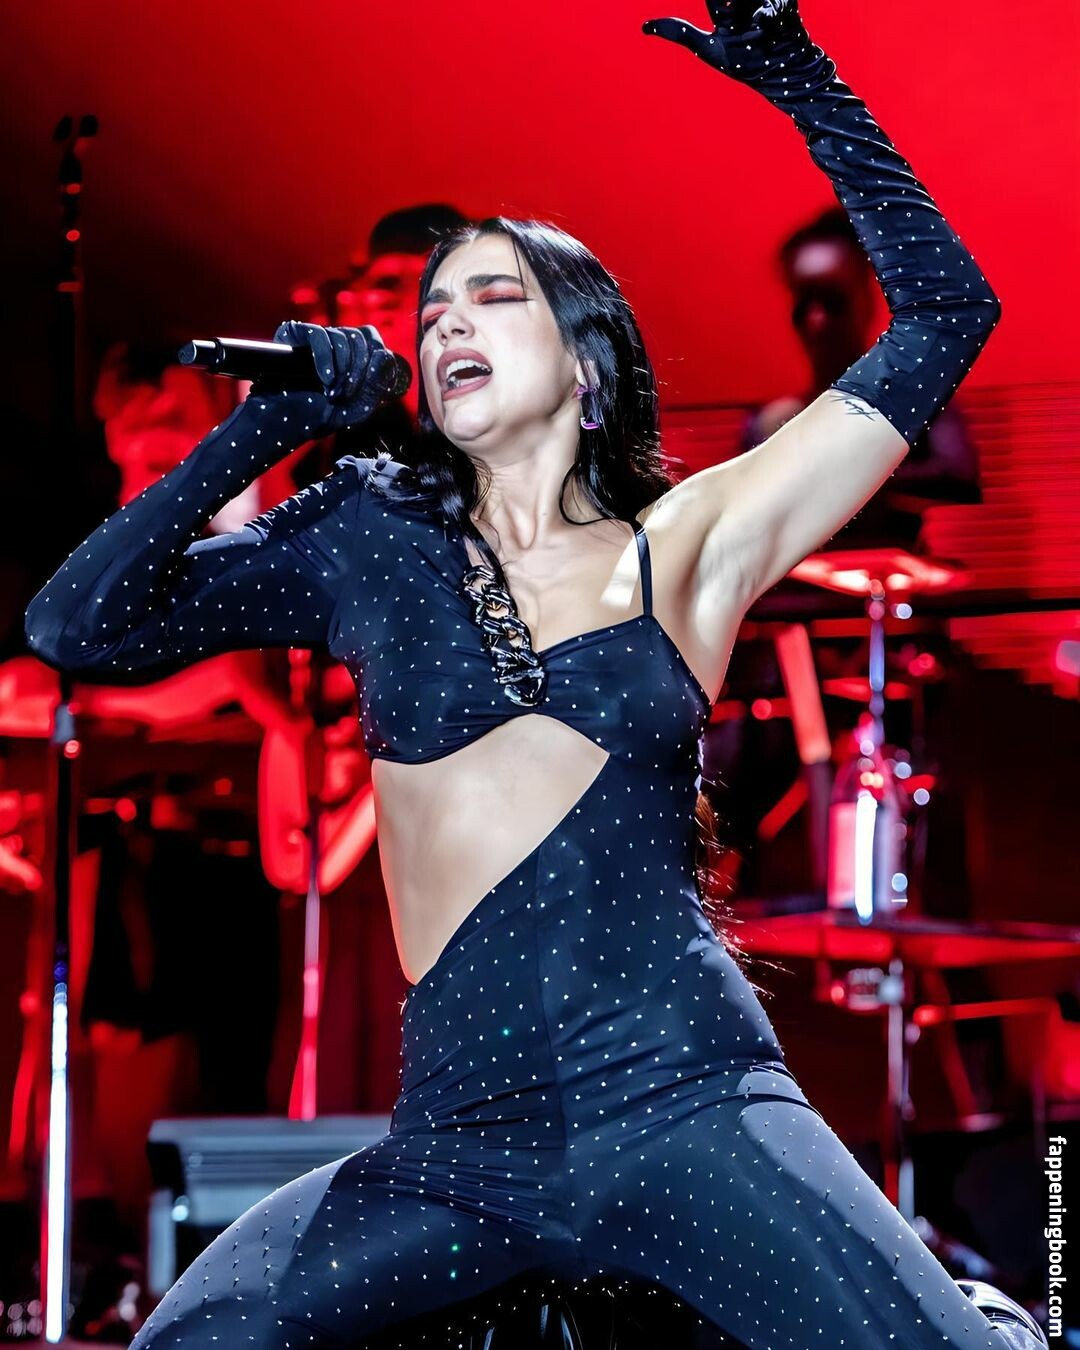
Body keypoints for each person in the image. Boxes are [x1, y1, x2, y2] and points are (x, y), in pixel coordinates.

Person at [24, 3, 1045, 1347]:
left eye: (494, 294)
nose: (449, 317)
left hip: (684, 1100)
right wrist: (262, 429)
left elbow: (949, 313)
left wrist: (806, 84)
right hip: (460, 1145)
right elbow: (77, 626)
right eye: (435, 305)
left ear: (585, 357)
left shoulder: (690, 541)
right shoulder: (363, 536)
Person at [740, 204, 984, 549]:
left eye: (833, 300)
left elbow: (961, 483)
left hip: (899, 577)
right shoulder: (773, 422)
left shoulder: (922, 403)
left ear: (867, 300)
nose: (816, 320)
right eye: (803, 302)